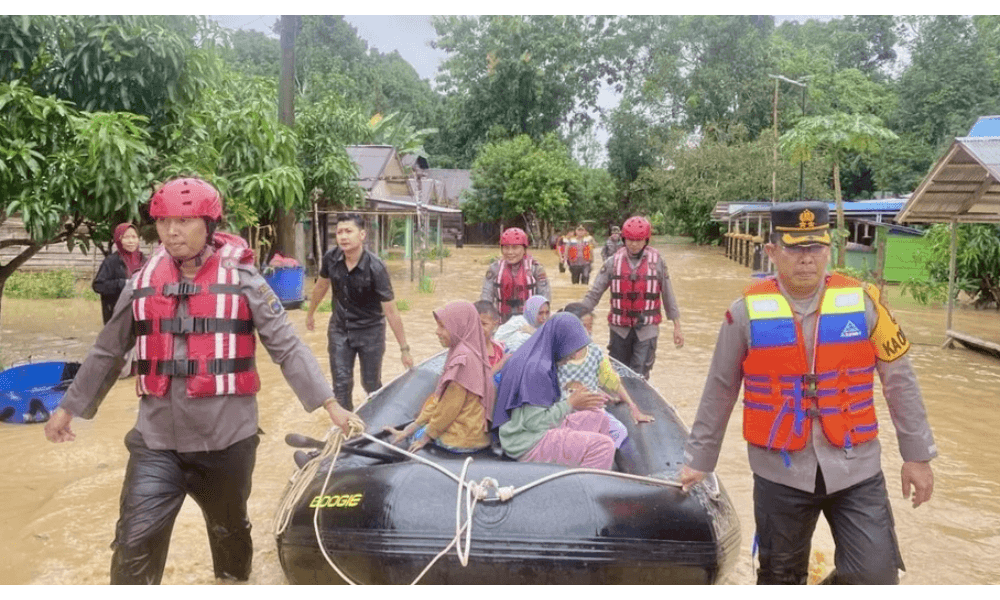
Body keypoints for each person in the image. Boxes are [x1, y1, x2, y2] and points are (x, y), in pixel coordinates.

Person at [43, 177, 358, 585]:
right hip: (157, 442)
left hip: (226, 441)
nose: (171, 232)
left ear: (208, 225)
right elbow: (108, 351)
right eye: (163, 222)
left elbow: (287, 345)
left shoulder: (244, 279)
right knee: (132, 546)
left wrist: (329, 404)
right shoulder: (141, 282)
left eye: (184, 221)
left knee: (230, 542)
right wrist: (68, 408)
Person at [678, 201, 936, 585]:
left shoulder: (866, 304)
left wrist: (917, 456)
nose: (806, 258)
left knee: (875, 576)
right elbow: (720, 388)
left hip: (856, 467)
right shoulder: (743, 313)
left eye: (815, 247)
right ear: (771, 251)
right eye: (794, 247)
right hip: (779, 472)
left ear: (828, 249)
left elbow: (899, 380)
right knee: (780, 578)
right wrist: (700, 459)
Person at [306, 213, 413, 410]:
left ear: (362, 235)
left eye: (349, 231)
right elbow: (321, 286)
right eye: (339, 232)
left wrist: (404, 349)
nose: (343, 237)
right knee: (341, 384)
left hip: (370, 331)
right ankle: (348, 429)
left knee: (371, 384)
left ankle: (376, 422)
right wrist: (310, 313)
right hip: (340, 329)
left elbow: (391, 311)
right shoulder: (331, 258)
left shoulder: (376, 267)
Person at [492, 313, 615, 470]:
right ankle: (585, 487)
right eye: (572, 349)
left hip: (524, 430)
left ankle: (588, 467)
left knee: (599, 418)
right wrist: (570, 403)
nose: (574, 355)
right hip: (528, 442)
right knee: (604, 447)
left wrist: (577, 402)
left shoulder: (536, 355)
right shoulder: (537, 370)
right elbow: (535, 423)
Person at [580, 216, 684, 380]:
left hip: (647, 329)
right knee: (618, 374)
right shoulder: (612, 262)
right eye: (630, 240)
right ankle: (619, 401)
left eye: (638, 240)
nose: (634, 244)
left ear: (646, 240)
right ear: (623, 239)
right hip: (619, 329)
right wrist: (579, 313)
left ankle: (638, 403)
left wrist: (677, 326)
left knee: (639, 374)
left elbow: (668, 294)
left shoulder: (658, 262)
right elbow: (594, 293)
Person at [384, 301, 495, 454]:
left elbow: (448, 408)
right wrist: (412, 426)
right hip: (472, 434)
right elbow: (440, 400)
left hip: (461, 439)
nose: (437, 332)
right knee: (414, 432)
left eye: (443, 326)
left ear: (459, 327)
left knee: (407, 441)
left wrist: (425, 437)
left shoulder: (462, 361)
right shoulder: (470, 350)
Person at [559, 302, 654, 425]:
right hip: (562, 409)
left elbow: (611, 380)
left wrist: (633, 407)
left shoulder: (593, 351)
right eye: (584, 326)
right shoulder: (554, 351)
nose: (588, 332)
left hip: (585, 407)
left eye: (590, 326)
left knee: (618, 431)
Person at [480, 227, 550, 322]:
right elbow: (486, 300)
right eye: (506, 247)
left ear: (524, 249)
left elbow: (544, 300)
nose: (510, 252)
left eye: (515, 247)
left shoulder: (536, 269)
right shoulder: (494, 269)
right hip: (501, 321)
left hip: (529, 323)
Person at [92, 223, 146, 325]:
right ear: (118, 239)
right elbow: (98, 285)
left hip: (140, 314)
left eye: (134, 237)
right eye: (126, 237)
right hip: (117, 314)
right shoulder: (111, 261)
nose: (131, 241)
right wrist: (123, 284)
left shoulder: (144, 261)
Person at [474, 300, 508, 372]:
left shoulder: (499, 349)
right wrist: (500, 364)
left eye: (484, 323)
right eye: (475, 323)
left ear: (494, 324)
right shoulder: (470, 351)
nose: (479, 328)